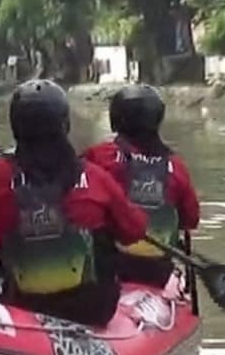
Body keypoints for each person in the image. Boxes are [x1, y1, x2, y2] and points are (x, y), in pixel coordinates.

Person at [0, 79, 148, 326]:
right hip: (92, 308)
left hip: (23, 306)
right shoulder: (96, 177)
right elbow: (134, 232)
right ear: (65, 124)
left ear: (16, 127)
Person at [82, 84, 200, 288]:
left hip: (109, 270)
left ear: (115, 119)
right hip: (158, 273)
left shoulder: (99, 156)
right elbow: (190, 220)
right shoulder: (177, 167)